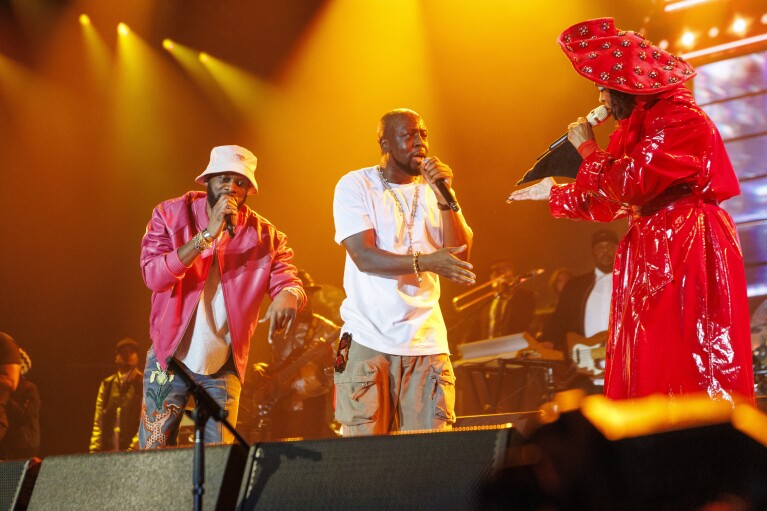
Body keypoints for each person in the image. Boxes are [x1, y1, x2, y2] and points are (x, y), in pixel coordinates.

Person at [508, 18, 754, 404]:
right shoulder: (641, 126)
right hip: (654, 241)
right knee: (649, 357)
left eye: (603, 89)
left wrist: (588, 149)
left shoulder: (681, 119)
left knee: (688, 352)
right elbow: (612, 199)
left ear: (624, 85)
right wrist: (554, 193)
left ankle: (703, 443)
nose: (601, 99)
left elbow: (630, 184)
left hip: (686, 241)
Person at [139, 145, 306, 448]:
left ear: (248, 190)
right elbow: (154, 275)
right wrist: (205, 236)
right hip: (170, 359)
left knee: (219, 461)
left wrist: (288, 295)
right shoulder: (170, 214)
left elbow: (287, 277)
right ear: (208, 180)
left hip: (223, 364)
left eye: (240, 182)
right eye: (224, 179)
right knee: (153, 453)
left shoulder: (265, 235)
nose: (232, 188)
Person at [332, 108, 476, 436]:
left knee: (430, 458)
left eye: (423, 134)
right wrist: (425, 263)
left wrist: (444, 197)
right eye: (408, 135)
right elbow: (363, 256)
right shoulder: (356, 184)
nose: (419, 142)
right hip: (365, 339)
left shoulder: (435, 191)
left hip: (426, 341)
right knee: (363, 459)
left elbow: (462, 254)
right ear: (384, 143)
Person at [251, 269, 340, 440]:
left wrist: (327, 362)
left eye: (307, 295)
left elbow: (339, 373)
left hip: (312, 406)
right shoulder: (278, 328)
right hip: (280, 407)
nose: (304, 301)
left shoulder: (330, 330)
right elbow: (271, 364)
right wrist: (260, 370)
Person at [461, 259, 537, 342]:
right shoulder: (485, 302)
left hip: (512, 348)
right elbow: (474, 330)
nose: (499, 274)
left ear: (513, 273)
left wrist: (508, 294)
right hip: (487, 349)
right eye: (494, 271)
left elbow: (523, 322)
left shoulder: (525, 296)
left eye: (504, 269)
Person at [89, 338, 143, 452]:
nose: (127, 355)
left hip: (135, 453)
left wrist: (134, 448)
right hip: (109, 453)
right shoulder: (106, 384)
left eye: (131, 352)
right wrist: (95, 448)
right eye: (123, 352)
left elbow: (146, 421)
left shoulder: (144, 384)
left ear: (137, 358)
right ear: (116, 358)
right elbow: (98, 421)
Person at [0, 338, 40, 460]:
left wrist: (7, 400)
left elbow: (25, 416)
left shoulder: (30, 389)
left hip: (25, 444)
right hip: (11, 442)